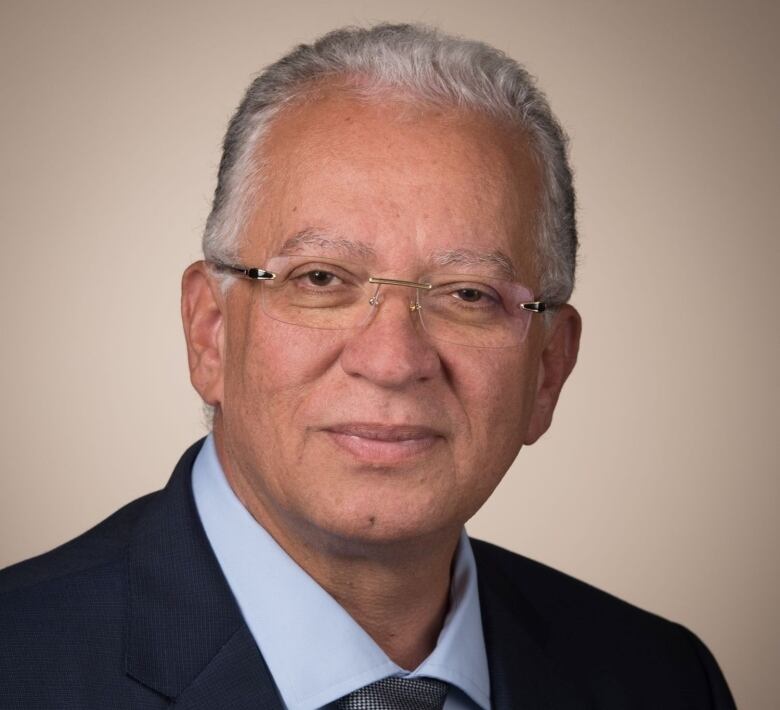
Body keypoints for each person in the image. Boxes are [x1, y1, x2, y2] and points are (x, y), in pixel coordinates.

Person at [0, 23, 735, 710]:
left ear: (548, 370)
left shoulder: (663, 679)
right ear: (212, 332)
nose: (391, 361)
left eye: (468, 293)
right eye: (321, 279)